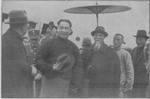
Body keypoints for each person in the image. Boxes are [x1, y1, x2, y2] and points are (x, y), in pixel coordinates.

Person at [36, 19, 83, 98]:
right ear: (57, 29)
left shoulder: (74, 47)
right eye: (61, 28)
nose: (63, 30)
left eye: (66, 28)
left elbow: (78, 67)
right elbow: (38, 60)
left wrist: (75, 84)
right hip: (49, 82)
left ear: (70, 30)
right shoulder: (47, 44)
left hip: (66, 84)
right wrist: (51, 68)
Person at [2, 10, 33, 98]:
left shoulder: (8, 38)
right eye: (27, 23)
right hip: (15, 90)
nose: (28, 25)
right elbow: (19, 66)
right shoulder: (13, 42)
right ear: (21, 25)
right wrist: (32, 70)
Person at [85, 26, 120, 98]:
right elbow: (84, 65)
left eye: (100, 35)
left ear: (104, 37)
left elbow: (116, 72)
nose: (98, 37)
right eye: (96, 35)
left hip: (106, 87)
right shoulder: (88, 51)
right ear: (93, 37)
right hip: (92, 86)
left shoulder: (110, 51)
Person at [112, 34, 134, 98]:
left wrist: (128, 86)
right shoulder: (110, 52)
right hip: (111, 85)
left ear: (122, 42)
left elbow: (130, 71)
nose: (115, 41)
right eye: (114, 39)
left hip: (121, 86)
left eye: (118, 40)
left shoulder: (125, 54)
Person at [132, 30, 149, 98]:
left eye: (141, 39)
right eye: (137, 39)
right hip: (134, 82)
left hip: (144, 83)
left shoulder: (148, 50)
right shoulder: (134, 50)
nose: (138, 41)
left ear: (145, 40)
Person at [25, 29, 42, 98]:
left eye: (36, 39)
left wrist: (41, 73)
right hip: (27, 77)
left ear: (39, 39)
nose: (34, 41)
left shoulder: (43, 49)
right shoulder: (25, 48)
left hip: (40, 78)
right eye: (32, 39)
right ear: (29, 39)